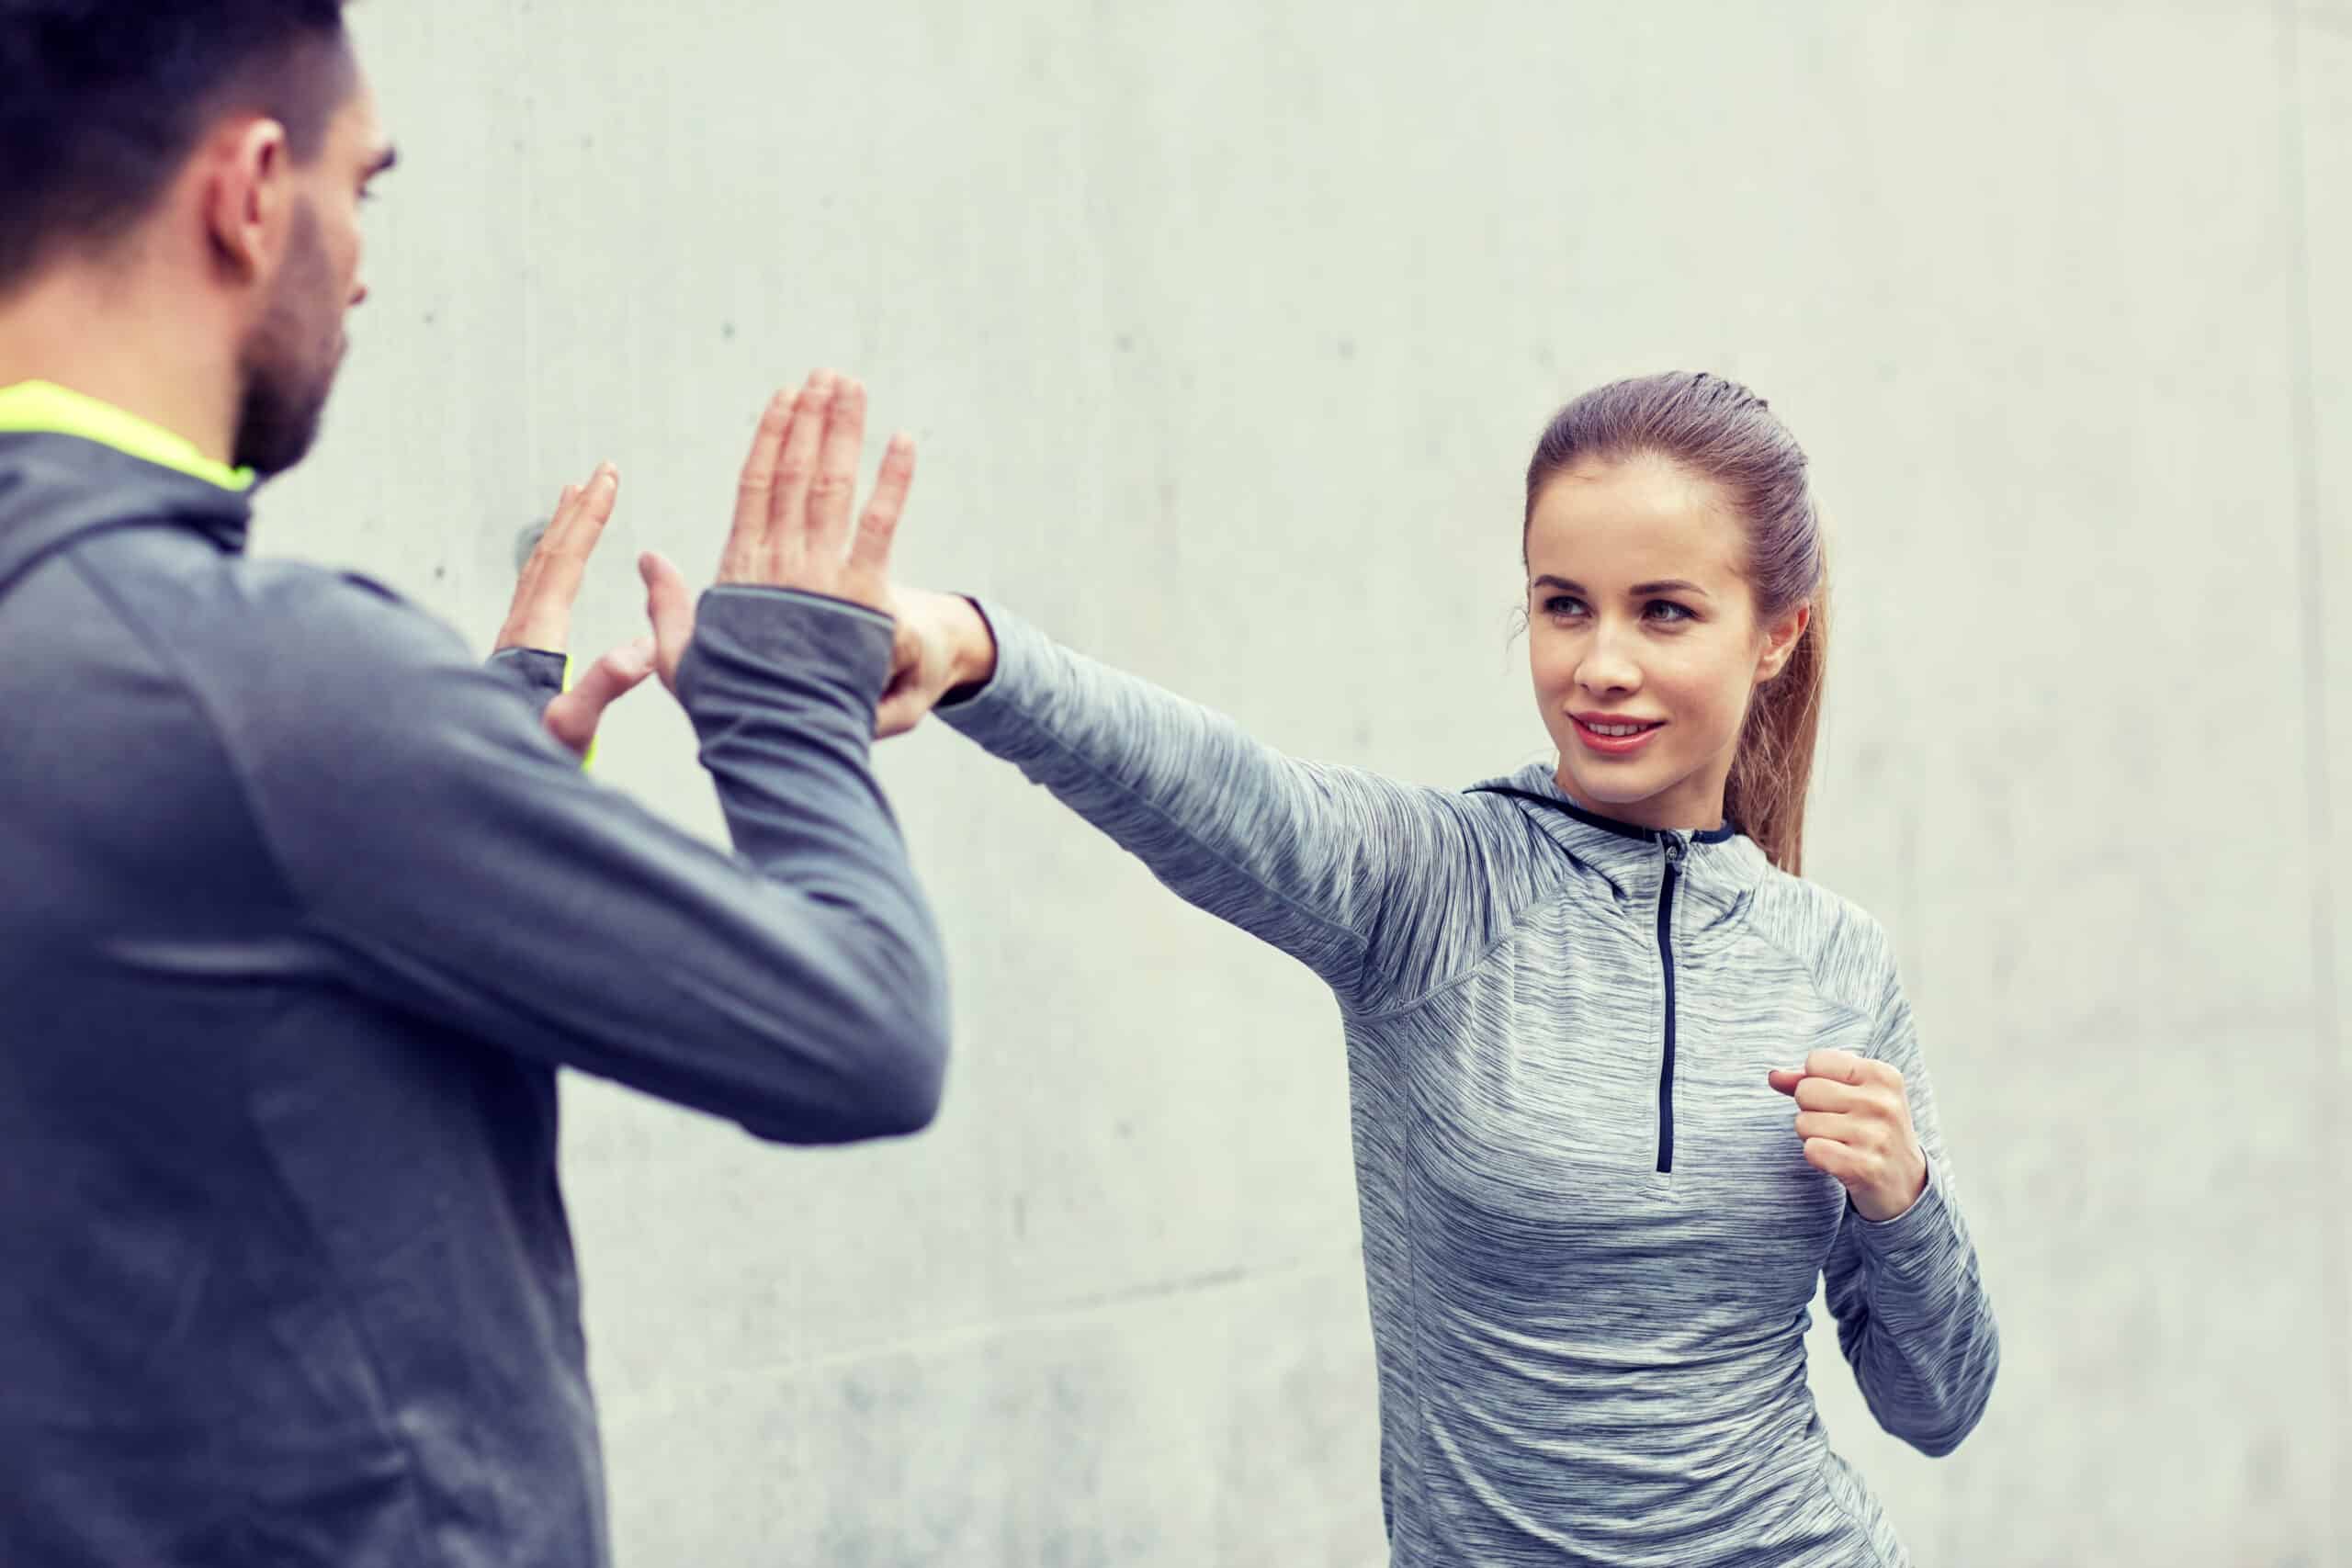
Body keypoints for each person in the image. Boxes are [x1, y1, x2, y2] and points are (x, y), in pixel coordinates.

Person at [0, 5, 948, 1565]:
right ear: (248, 193)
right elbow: (863, 1033)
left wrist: (451, 784)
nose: (364, 264)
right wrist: (783, 697)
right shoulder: (264, 687)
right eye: (361, 187)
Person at [877, 371, 1999, 1565]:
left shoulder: (1835, 959)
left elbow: (1936, 1405)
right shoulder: (1431, 889)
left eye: (1664, 611)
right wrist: (976, 652)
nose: (1600, 665)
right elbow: (1223, 789)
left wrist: (1904, 1203)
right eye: (1565, 606)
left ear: (1776, 634)